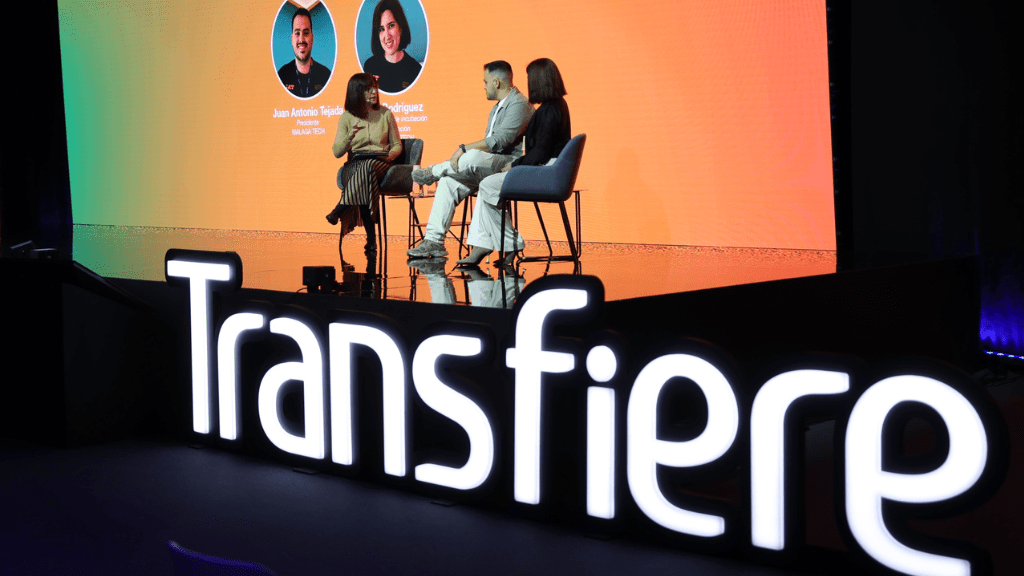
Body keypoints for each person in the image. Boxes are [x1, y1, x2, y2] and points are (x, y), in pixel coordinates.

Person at [405, 60, 533, 260]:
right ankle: (434, 242)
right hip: (489, 166)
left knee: (471, 155)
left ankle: (434, 171)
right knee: (447, 182)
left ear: (497, 82)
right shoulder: (497, 108)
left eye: (486, 82)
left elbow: (500, 141)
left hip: (508, 166)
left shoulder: (519, 104)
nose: (484, 86)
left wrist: (463, 148)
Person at [456, 58, 571, 268]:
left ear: (538, 80)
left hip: (546, 173)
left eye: (530, 78)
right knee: (489, 185)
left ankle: (509, 244)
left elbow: (540, 153)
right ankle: (492, 244)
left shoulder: (548, 111)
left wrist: (515, 165)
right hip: (549, 170)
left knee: (487, 185)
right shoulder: (557, 106)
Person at [327, 73, 402, 253]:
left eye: (375, 87)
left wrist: (390, 156)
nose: (374, 92)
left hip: (381, 163)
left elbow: (397, 144)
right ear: (356, 92)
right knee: (365, 174)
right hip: (355, 164)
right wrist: (349, 136)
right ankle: (371, 239)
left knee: (367, 169)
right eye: (368, 89)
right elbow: (337, 152)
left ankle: (340, 209)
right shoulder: (346, 117)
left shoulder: (385, 113)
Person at [361, 0, 422, 93]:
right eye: (381, 29)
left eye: (391, 26)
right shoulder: (369, 67)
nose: (387, 36)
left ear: (401, 28)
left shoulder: (416, 70)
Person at [278, 8, 332, 98]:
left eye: (306, 33)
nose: (301, 39)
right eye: (297, 33)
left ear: (312, 38)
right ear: (292, 39)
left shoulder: (326, 75)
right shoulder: (282, 75)